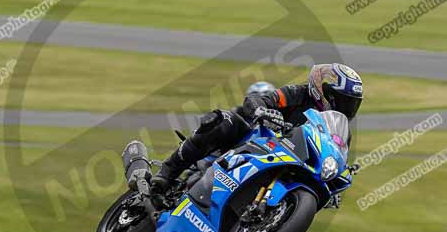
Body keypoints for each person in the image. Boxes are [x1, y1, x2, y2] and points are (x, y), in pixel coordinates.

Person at [151, 64, 362, 192]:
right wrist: (262, 111)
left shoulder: (339, 129)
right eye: (342, 100)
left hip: (289, 165)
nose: (346, 108)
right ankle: (167, 172)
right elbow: (256, 99)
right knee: (225, 122)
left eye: (351, 103)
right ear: (325, 92)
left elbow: (335, 155)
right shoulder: (297, 94)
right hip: (259, 141)